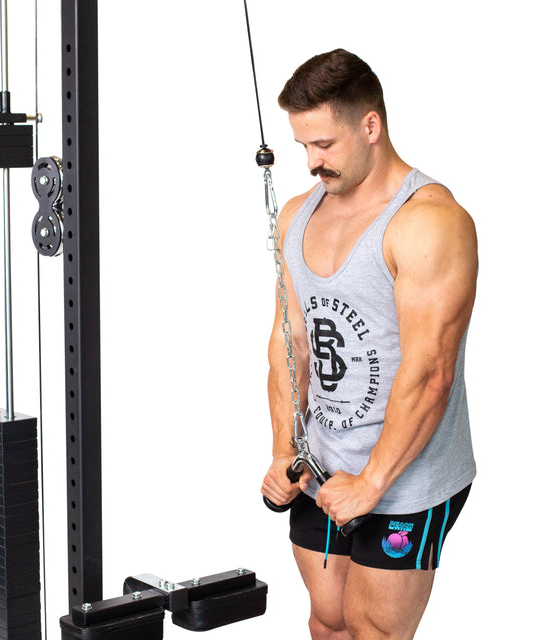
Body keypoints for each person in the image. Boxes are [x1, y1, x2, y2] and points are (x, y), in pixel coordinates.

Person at [260, 49, 477, 640]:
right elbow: (290, 341)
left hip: (406, 475)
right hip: (325, 463)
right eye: (302, 146)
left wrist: (373, 483)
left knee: (373, 631)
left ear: (371, 127)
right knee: (329, 621)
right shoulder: (298, 217)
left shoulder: (428, 221)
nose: (311, 162)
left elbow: (432, 373)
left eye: (324, 144)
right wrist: (285, 450)